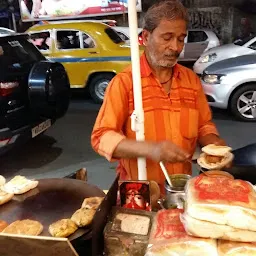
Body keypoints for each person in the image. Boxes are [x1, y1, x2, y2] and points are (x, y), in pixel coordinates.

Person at [91, 0, 227, 190]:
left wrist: (215, 145)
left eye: (181, 39)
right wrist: (151, 149)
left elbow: (204, 125)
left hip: (181, 189)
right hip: (139, 193)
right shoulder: (126, 82)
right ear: (146, 37)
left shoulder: (190, 80)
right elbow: (101, 137)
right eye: (167, 37)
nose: (175, 47)